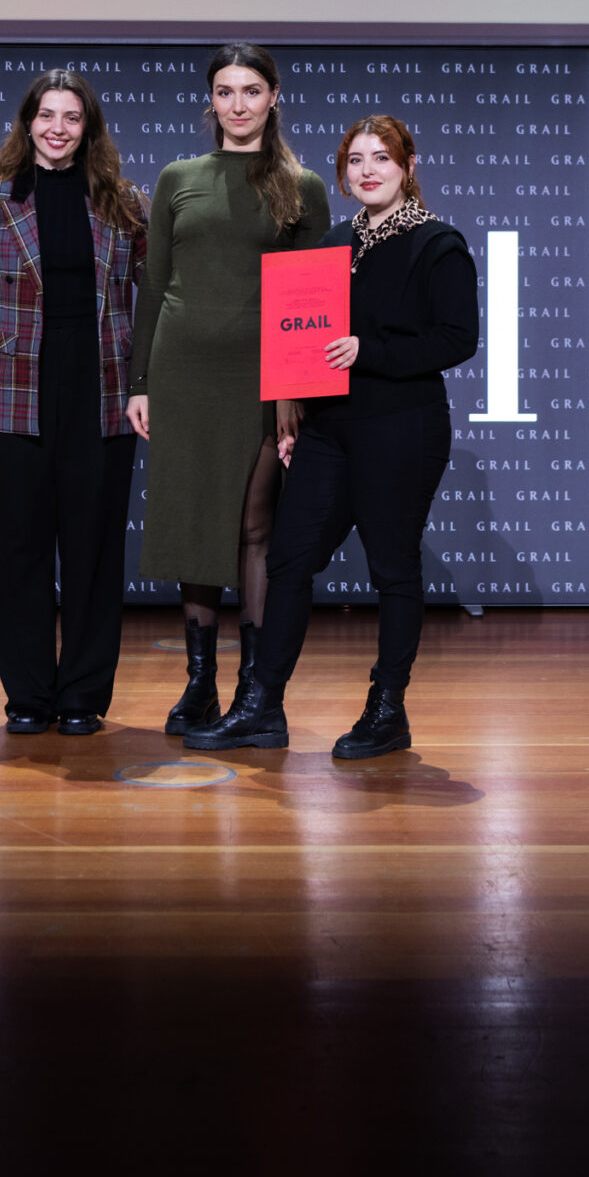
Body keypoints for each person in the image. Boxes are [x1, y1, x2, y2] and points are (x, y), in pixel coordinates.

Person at [185, 113, 477, 760]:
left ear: (408, 166)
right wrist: (294, 404)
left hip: (401, 426)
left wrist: (370, 351)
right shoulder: (333, 242)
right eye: (355, 160)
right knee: (289, 559)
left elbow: (458, 339)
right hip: (327, 428)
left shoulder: (436, 243)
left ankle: (387, 710)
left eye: (382, 158)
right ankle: (262, 706)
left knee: (392, 568)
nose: (368, 171)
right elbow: (302, 335)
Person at [127, 43, 331, 734]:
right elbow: (154, 284)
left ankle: (257, 694)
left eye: (250, 91)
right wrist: (141, 382)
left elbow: (312, 300)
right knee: (193, 523)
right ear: (209, 101)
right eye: (224, 91)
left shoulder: (301, 186)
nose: (237, 105)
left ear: (274, 97)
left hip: (264, 377)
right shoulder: (177, 178)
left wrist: (295, 389)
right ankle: (200, 686)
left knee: (253, 527)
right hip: (182, 372)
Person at [0, 70, 147, 735]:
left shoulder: (124, 200)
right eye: (46, 115)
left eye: (71, 117)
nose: (57, 128)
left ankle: (83, 695)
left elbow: (153, 298)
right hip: (15, 388)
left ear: (87, 128)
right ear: (27, 122)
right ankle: (29, 697)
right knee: (22, 548)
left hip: (104, 388)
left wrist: (147, 381)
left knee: (94, 550)